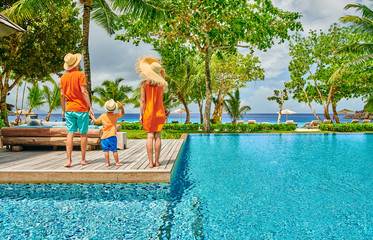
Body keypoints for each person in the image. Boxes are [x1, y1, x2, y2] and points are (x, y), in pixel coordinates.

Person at [60, 53, 94, 167]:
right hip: (81, 108)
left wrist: (63, 110)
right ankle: (83, 160)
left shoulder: (63, 77)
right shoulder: (80, 75)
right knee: (83, 134)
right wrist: (90, 107)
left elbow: (61, 95)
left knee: (70, 133)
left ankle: (68, 160)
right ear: (77, 63)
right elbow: (84, 91)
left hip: (69, 109)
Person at [136, 56, 168, 168]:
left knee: (149, 136)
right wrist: (162, 75)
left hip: (149, 113)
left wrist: (141, 115)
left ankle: (150, 163)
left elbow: (143, 101)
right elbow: (166, 90)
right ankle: (157, 161)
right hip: (160, 113)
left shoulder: (144, 84)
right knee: (158, 137)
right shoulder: (162, 84)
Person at [89, 99, 124, 167]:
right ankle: (117, 162)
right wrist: (121, 106)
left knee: (106, 151)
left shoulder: (103, 116)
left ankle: (107, 163)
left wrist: (91, 116)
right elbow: (122, 113)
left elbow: (96, 121)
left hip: (104, 136)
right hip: (112, 136)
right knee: (114, 150)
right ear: (114, 109)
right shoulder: (115, 116)